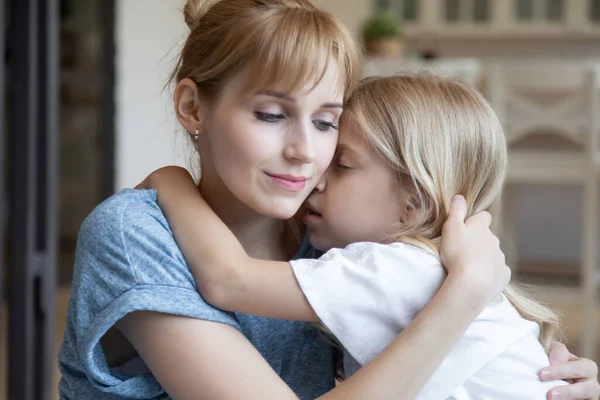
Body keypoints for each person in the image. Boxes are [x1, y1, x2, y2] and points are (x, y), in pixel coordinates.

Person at [58, 0, 600, 399]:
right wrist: (465, 294)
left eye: (326, 123)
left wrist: (554, 374)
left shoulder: (328, 238)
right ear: (193, 107)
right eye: (271, 115)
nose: (303, 152)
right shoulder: (133, 235)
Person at [140, 74, 577, 399]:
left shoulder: (392, 269)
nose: (315, 178)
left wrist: (171, 180)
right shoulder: (427, 268)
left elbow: (228, 280)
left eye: (342, 166)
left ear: (417, 199)